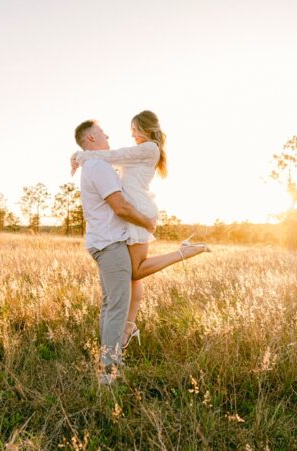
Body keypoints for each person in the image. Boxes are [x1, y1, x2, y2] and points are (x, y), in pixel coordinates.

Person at [71, 112, 208, 353]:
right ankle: (128, 329)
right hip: (134, 211)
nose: (131, 134)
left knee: (135, 269)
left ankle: (182, 253)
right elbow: (111, 160)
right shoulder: (135, 153)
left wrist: (80, 155)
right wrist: (84, 155)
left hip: (138, 211)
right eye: (131, 130)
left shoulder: (149, 148)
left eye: (134, 129)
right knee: (134, 274)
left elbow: (115, 155)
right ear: (92, 138)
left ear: (145, 129)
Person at [73, 119, 157, 385]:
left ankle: (107, 364)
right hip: (110, 245)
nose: (107, 134)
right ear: (91, 140)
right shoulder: (98, 166)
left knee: (111, 306)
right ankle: (108, 372)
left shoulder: (95, 164)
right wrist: (147, 221)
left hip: (103, 243)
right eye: (101, 132)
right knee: (117, 308)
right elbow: (120, 207)